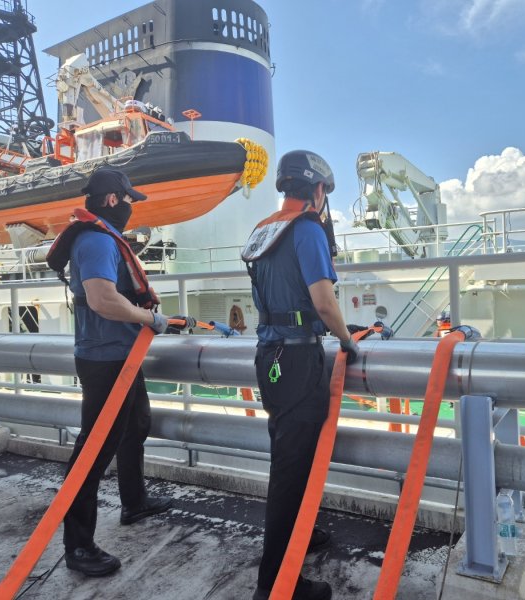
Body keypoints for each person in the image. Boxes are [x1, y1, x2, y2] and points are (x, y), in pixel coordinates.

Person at [53, 168, 193, 577]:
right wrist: (150, 319)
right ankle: (78, 547)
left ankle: (134, 502)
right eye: (128, 199)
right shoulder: (96, 239)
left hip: (121, 354)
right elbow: (101, 299)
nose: (131, 207)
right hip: (106, 359)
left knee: (136, 424)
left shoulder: (97, 236)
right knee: (93, 452)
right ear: (113, 199)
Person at [241, 150, 359, 600]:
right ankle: (277, 586)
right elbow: (324, 304)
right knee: (291, 471)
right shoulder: (307, 230)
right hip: (297, 360)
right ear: (317, 190)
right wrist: (348, 341)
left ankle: (302, 535)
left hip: (269, 355)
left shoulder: (264, 230)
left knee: (290, 458)